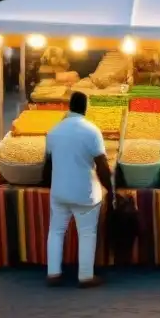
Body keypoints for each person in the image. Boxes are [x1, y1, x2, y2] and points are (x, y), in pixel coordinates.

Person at [45, 91, 113, 288]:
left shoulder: (54, 131)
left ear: (69, 106)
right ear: (85, 107)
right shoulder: (91, 131)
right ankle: (85, 276)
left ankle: (53, 273)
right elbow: (102, 165)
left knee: (56, 231)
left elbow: (47, 164)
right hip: (85, 193)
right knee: (87, 232)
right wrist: (111, 189)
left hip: (59, 191)